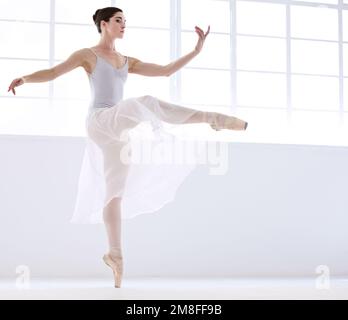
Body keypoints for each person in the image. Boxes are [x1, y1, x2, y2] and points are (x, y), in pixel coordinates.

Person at [7, 7, 248, 288]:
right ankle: (211, 118)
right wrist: (24, 78)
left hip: (117, 135)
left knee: (114, 195)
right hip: (99, 120)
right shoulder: (88, 55)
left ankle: (115, 255)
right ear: (104, 24)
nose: (124, 25)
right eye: (119, 20)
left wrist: (196, 50)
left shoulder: (126, 61)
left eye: (125, 21)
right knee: (144, 102)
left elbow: (166, 71)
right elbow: (53, 71)